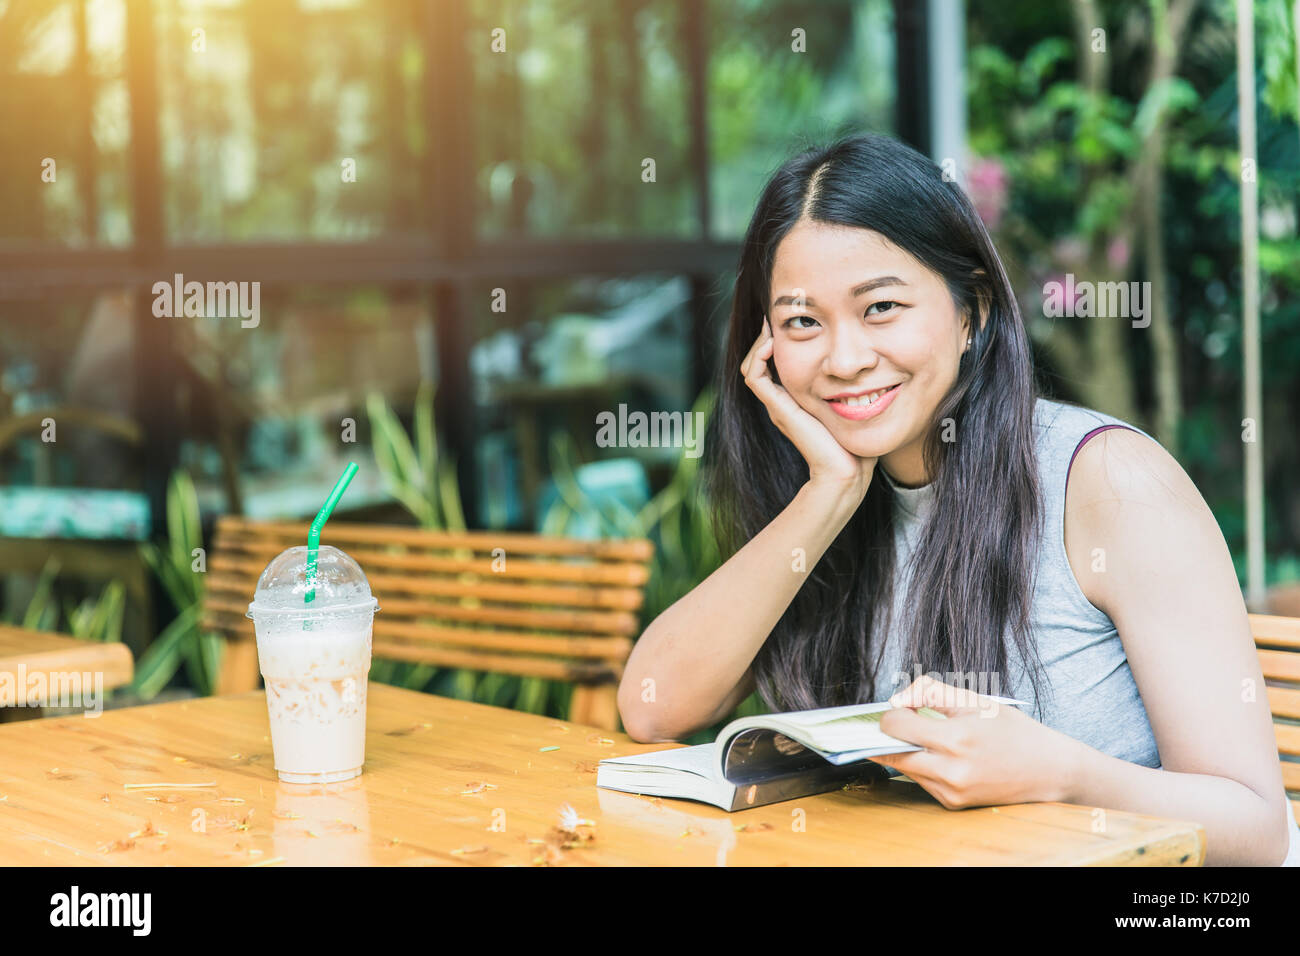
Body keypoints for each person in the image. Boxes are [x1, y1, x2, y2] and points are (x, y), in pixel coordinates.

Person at [617, 132, 1299, 866]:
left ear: (971, 309)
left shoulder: (1108, 483)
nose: (844, 359)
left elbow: (1259, 833)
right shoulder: (826, 491)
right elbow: (654, 706)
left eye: (880, 307)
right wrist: (829, 493)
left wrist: (1062, 775)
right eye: (802, 322)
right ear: (766, 348)